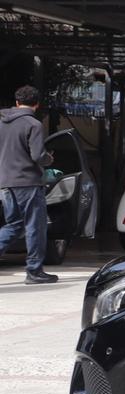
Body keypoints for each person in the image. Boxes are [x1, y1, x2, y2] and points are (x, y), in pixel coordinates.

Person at [0, 86, 58, 284]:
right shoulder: (33, 124)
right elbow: (37, 156)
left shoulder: (1, 122)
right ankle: (34, 271)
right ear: (37, 104)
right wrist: (48, 159)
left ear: (17, 103)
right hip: (28, 183)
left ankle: (34, 270)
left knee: (14, 225)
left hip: (5, 183)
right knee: (35, 226)